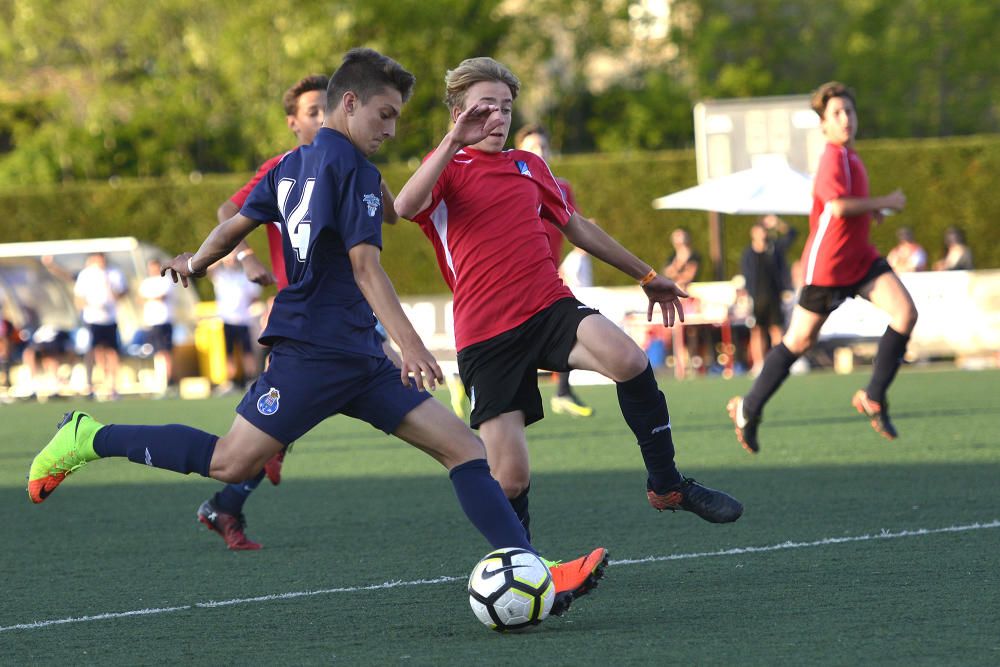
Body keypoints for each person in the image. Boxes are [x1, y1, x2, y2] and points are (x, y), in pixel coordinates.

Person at [28, 48, 605, 615]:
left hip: (357, 355)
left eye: (398, 117)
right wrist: (411, 343)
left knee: (464, 450)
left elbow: (236, 224)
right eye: (385, 115)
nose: (392, 128)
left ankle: (532, 569)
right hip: (314, 354)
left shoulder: (289, 165)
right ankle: (87, 437)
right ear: (349, 104)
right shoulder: (353, 167)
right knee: (231, 463)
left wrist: (197, 262)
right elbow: (365, 264)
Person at [394, 56, 743, 545]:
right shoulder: (447, 168)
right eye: (483, 109)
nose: (496, 119)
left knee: (630, 359)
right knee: (510, 478)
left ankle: (667, 486)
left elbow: (576, 226)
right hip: (487, 334)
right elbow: (403, 207)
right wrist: (454, 140)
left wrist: (646, 274)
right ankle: (528, 573)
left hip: (549, 307)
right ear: (458, 114)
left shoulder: (528, 165)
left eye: (505, 108)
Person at [197, 73, 402, 551]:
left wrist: (366, 168)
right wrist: (247, 258)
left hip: (347, 312)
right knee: (263, 437)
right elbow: (229, 210)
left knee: (277, 433)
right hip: (305, 319)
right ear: (293, 122)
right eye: (310, 111)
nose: (320, 116)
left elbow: (393, 214)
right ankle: (227, 501)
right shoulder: (283, 166)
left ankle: (227, 503)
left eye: (323, 108)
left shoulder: (351, 164)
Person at [727, 81, 918, 453]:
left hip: (860, 259)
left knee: (905, 313)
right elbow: (837, 206)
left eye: (849, 111)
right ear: (824, 125)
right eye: (836, 113)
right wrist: (885, 199)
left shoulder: (851, 157)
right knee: (799, 341)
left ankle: (874, 396)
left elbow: (849, 204)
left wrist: (871, 208)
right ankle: (748, 408)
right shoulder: (832, 156)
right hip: (828, 267)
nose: (845, 118)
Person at [515, 123, 594, 418]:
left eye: (544, 146)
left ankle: (562, 390)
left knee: (572, 326)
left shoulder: (562, 187)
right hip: (517, 278)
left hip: (551, 275)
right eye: (533, 147)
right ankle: (466, 379)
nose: (540, 152)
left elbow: (573, 226)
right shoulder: (509, 183)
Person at [740, 214, 796, 376]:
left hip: (773, 296)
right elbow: (747, 276)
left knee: (776, 329)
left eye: (764, 231)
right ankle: (759, 363)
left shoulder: (774, 249)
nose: (761, 235)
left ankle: (780, 364)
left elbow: (792, 234)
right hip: (756, 298)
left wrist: (778, 223)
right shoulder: (748, 254)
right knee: (757, 330)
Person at [73, 253, 127, 399]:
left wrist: (110, 288)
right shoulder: (86, 275)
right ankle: (90, 385)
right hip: (92, 319)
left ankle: (113, 386)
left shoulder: (114, 274)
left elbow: (122, 294)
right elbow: (78, 297)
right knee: (92, 351)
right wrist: (87, 308)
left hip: (109, 319)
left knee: (112, 352)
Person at [209, 251, 262, 394]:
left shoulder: (244, 276)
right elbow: (209, 268)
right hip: (227, 320)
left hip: (244, 320)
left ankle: (250, 379)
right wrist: (222, 256)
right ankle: (232, 382)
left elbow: (255, 296)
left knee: (247, 353)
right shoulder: (221, 276)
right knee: (229, 354)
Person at [138, 258, 176, 394]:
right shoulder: (146, 282)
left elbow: (161, 297)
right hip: (152, 321)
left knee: (165, 352)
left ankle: (168, 381)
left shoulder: (166, 280)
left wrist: (150, 297)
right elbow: (141, 299)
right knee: (157, 352)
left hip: (163, 321)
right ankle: (161, 381)